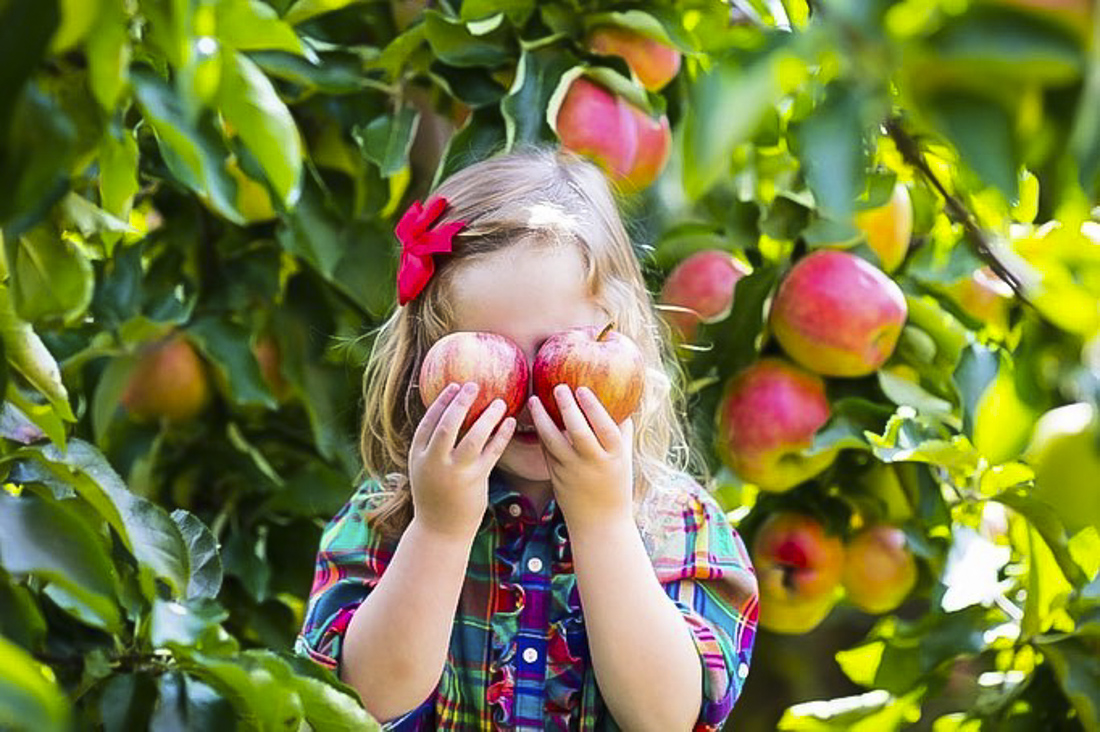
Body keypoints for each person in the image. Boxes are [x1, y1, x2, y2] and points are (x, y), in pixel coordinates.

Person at [295, 147, 759, 731]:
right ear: (425, 362)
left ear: (621, 344)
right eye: (495, 355)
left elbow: (665, 719)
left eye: (560, 351)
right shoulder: (390, 518)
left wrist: (603, 524)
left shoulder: (675, 524)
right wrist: (439, 531)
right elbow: (364, 704)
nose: (531, 395)